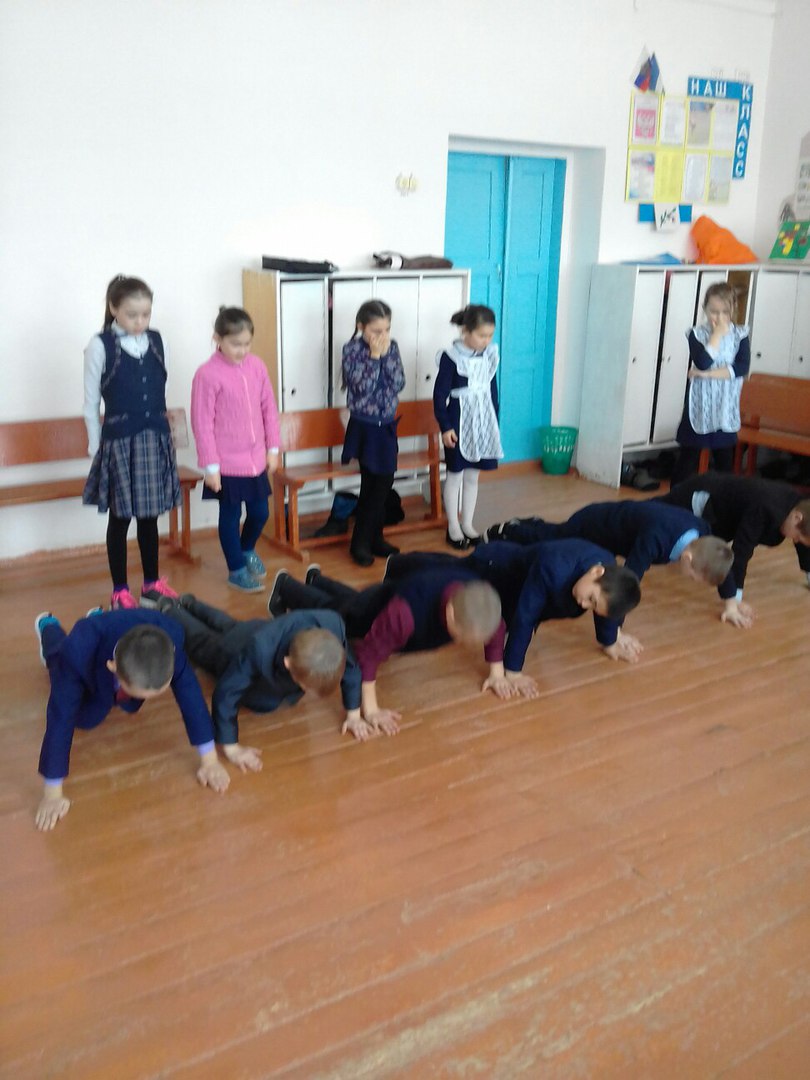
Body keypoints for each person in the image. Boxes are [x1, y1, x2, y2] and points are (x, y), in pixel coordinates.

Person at [33, 608, 230, 831]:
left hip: (117, 638)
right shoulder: (78, 651)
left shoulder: (171, 641)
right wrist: (52, 794)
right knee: (82, 716)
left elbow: (191, 697)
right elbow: (60, 718)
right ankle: (48, 626)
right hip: (83, 649)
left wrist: (210, 761)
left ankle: (99, 618)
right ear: (113, 667)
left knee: (120, 705)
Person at [385, 538, 643, 693]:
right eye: (590, 599)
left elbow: (604, 607)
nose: (584, 605)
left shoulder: (607, 573)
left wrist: (610, 640)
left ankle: (401, 565)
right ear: (597, 572)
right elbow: (526, 616)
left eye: (592, 606)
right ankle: (399, 565)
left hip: (519, 583)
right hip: (494, 567)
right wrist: (512, 670)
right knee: (450, 572)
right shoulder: (554, 568)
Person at [267, 564, 505, 730]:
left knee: (350, 600)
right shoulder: (404, 616)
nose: (463, 644)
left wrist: (497, 673)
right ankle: (286, 587)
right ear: (450, 613)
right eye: (461, 637)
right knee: (336, 614)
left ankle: (317, 580)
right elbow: (367, 655)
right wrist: (370, 709)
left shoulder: (479, 598)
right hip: (372, 612)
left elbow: (496, 627)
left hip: (391, 595)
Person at [155, 593, 370, 761]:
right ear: (288, 663)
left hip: (256, 629)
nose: (306, 692)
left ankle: (190, 602)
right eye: (305, 686)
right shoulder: (260, 650)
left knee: (229, 625)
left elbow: (350, 667)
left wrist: (353, 715)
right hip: (234, 649)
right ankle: (169, 609)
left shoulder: (333, 625)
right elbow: (227, 693)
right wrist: (231, 748)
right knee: (204, 642)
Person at [82, 275, 182, 609]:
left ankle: (151, 584)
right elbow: (90, 403)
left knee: (149, 517)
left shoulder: (157, 341)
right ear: (113, 309)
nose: (140, 321)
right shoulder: (99, 346)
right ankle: (120, 591)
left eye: (146, 314)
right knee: (120, 518)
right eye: (132, 315)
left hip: (154, 438)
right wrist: (96, 447)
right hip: (120, 443)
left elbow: (159, 387)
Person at [191, 307, 280, 592]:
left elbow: (269, 408)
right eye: (235, 344)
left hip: (255, 460)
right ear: (217, 339)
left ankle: (246, 548)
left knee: (260, 513)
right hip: (226, 463)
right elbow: (202, 423)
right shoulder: (207, 375)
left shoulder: (257, 367)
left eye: (247, 344)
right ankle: (236, 570)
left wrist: (273, 448)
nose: (242, 350)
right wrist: (211, 467)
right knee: (230, 517)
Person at [659, 472, 810, 627]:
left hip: (723, 511)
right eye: (797, 537)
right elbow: (740, 552)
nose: (795, 541)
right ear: (796, 517)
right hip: (700, 496)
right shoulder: (764, 509)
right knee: (657, 516)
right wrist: (735, 601)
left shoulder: (802, 507)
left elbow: (805, 545)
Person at [483, 500, 734, 588]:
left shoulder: (703, 533)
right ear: (688, 558)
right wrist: (616, 633)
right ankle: (508, 531)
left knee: (555, 532)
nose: (690, 579)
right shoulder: (655, 539)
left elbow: (720, 555)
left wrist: (733, 599)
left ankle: (531, 523)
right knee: (553, 540)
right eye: (692, 576)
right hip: (596, 524)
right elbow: (626, 581)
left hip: (616, 529)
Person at [340, 300, 406, 567]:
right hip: (365, 426)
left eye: (386, 329)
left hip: (386, 424)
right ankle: (360, 543)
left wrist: (385, 356)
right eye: (376, 331)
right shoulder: (352, 350)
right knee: (373, 484)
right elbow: (361, 387)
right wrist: (375, 357)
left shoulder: (393, 347)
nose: (382, 336)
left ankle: (375, 538)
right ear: (361, 327)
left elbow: (398, 383)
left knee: (383, 482)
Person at [434, 305, 503, 548]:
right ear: (466, 331)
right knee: (455, 475)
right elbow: (439, 396)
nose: (486, 340)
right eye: (482, 335)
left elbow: (492, 393)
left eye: (490, 335)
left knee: (473, 476)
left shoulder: (489, 355)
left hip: (482, 423)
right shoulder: (451, 357)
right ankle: (453, 526)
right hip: (458, 422)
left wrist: (493, 424)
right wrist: (445, 427)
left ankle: (467, 524)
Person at [671, 282, 750, 486]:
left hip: (725, 405)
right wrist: (716, 335)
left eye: (725, 312)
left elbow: (741, 368)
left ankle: (724, 500)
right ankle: (674, 498)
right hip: (700, 403)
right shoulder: (696, 334)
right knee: (688, 456)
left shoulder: (740, 335)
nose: (720, 318)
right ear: (705, 309)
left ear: (733, 309)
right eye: (714, 312)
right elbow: (702, 362)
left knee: (724, 459)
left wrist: (707, 375)